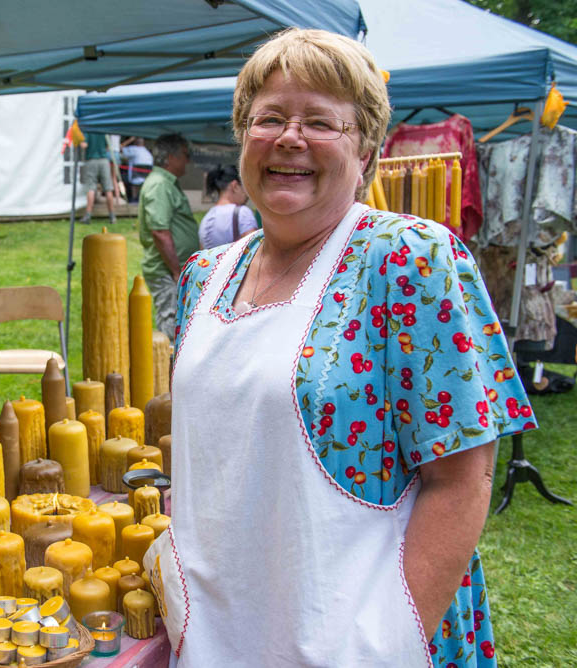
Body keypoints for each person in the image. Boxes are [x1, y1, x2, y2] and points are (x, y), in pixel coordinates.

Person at [150, 29, 534, 667]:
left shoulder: (407, 260)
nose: (289, 138)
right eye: (269, 118)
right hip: (222, 625)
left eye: (321, 123)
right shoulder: (203, 275)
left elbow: (462, 480)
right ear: (243, 138)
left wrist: (384, 640)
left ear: (366, 153)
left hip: (357, 631)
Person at [136, 133, 197, 340]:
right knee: (171, 328)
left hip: (172, 270)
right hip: (167, 271)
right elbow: (160, 232)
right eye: (185, 155)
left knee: (178, 325)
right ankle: (167, 372)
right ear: (171, 157)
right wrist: (176, 271)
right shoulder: (160, 184)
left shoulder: (165, 182)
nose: (188, 161)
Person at [197, 164, 257, 248]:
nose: (247, 195)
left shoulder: (206, 219)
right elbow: (253, 250)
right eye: (245, 187)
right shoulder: (242, 213)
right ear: (235, 186)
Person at [79, 132, 116, 224]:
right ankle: (112, 216)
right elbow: (108, 147)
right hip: (104, 160)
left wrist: (78, 140)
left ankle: (88, 215)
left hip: (91, 160)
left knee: (91, 188)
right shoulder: (104, 131)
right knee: (108, 188)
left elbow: (84, 145)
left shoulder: (88, 130)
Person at [119, 136, 153, 202]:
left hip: (136, 179)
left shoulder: (133, 149)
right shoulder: (148, 153)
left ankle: (130, 199)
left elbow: (118, 149)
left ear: (135, 142)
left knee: (122, 178)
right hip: (147, 179)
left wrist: (130, 140)